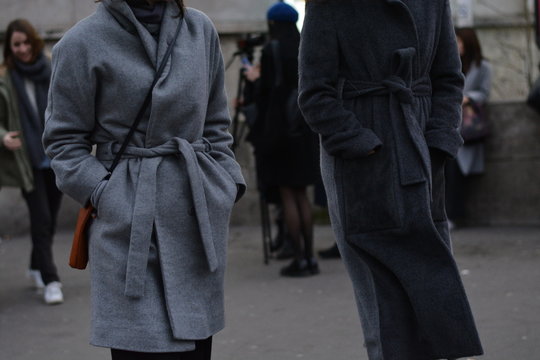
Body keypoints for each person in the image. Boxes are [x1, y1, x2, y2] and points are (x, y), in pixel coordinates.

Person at [42, 0, 245, 358]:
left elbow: (216, 123)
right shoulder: (81, 42)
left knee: (196, 350)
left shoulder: (200, 30)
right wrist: (107, 194)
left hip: (194, 220)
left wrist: (226, 183)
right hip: (126, 230)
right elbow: (63, 142)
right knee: (138, 348)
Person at [298, 1, 483, 359]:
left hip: (422, 152)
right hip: (362, 164)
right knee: (384, 311)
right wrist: (361, 144)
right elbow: (314, 93)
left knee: (432, 298)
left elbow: (448, 77)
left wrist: (440, 139)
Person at [247, 2, 319, 277]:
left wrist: (254, 80)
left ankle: (298, 258)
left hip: (280, 132)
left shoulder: (272, 49)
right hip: (303, 129)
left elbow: (266, 94)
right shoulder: (304, 47)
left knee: (288, 194)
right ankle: (310, 258)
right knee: (303, 195)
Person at [0, 19, 64, 305]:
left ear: (35, 42)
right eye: (16, 44)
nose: (23, 49)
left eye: (26, 42)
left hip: (56, 156)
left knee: (49, 217)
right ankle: (51, 280)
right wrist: (3, 136)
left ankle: (36, 264)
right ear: (9, 48)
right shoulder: (4, 77)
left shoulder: (51, 69)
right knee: (42, 219)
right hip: (26, 160)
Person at [445, 27, 492, 228]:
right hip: (451, 125)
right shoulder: (451, 65)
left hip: (469, 127)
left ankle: (454, 216)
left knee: (458, 172)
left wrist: (468, 98)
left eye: (461, 42)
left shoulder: (483, 67)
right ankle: (450, 215)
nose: (457, 46)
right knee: (448, 170)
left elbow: (484, 93)